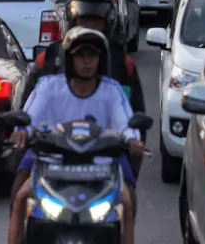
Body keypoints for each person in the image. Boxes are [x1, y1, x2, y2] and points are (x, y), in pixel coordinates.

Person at [9, 27, 142, 244]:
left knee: (127, 201)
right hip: (50, 162)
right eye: (81, 55)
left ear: (101, 60)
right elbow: (29, 117)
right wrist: (22, 131)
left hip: (102, 164)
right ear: (69, 59)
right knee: (20, 195)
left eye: (92, 56)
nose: (87, 61)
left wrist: (132, 139)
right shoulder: (49, 87)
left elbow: (126, 123)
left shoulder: (112, 90)